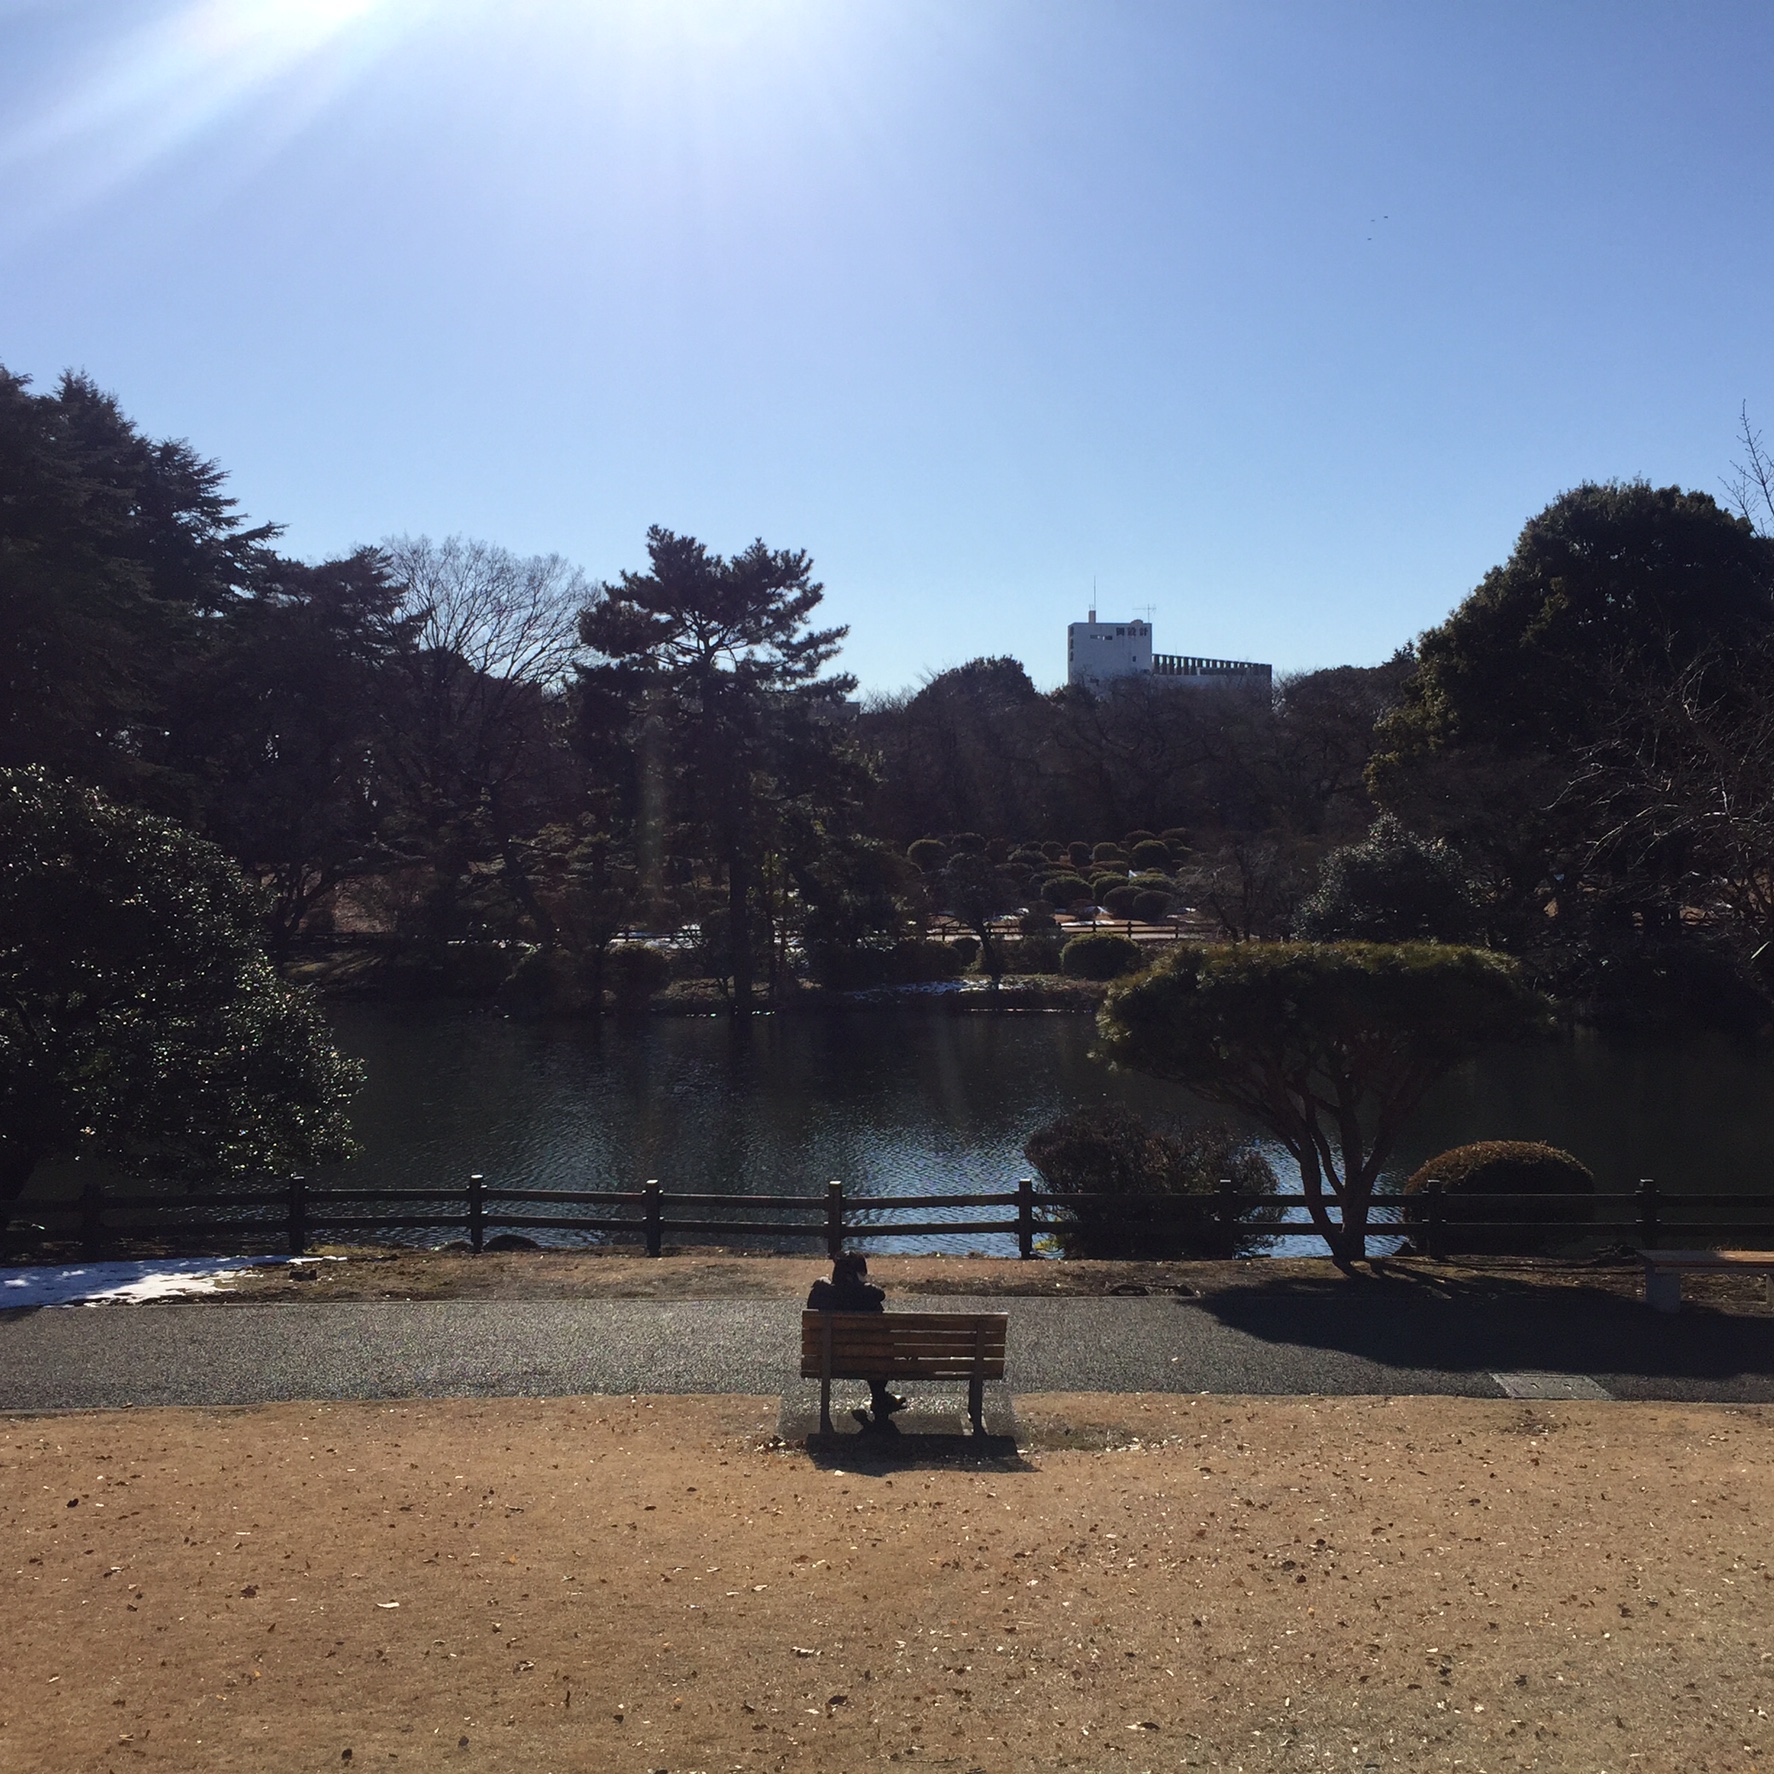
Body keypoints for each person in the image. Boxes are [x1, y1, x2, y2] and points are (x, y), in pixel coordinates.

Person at [807, 1253, 907, 1428]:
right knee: (876, 1350)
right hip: (870, 1362)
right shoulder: (870, 1299)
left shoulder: (820, 1295)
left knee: (872, 1350)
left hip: (828, 1360)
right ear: (856, 1274)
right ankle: (879, 1397)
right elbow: (885, 1338)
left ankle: (879, 1399)